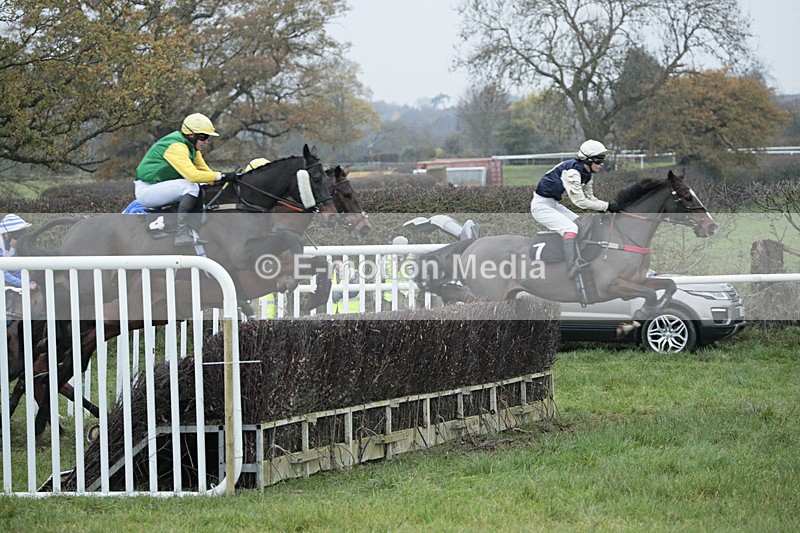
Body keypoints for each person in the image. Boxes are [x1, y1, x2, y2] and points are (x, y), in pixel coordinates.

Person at [134, 113, 238, 246]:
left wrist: (230, 179)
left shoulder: (192, 149)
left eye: (208, 138)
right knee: (191, 186)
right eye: (203, 137)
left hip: (159, 188)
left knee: (200, 184)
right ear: (190, 135)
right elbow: (193, 176)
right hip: (147, 191)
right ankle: (181, 232)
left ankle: (172, 223)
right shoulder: (177, 146)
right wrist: (221, 176)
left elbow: (207, 174)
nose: (206, 142)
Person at [530, 139, 621, 280]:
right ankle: (572, 267)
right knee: (570, 229)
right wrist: (607, 206)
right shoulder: (573, 171)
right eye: (599, 160)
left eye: (603, 160)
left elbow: (590, 198)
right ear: (588, 160)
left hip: (553, 204)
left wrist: (609, 207)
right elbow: (579, 201)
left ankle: (582, 257)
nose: (602, 164)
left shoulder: (587, 173)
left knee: (581, 224)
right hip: (541, 207)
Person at [0, 214, 37, 322]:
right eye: (18, 237)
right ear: (6, 235)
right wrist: (24, 283)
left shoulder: (12, 247)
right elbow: (2, 273)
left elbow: (16, 269)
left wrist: (29, 280)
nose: (21, 241)